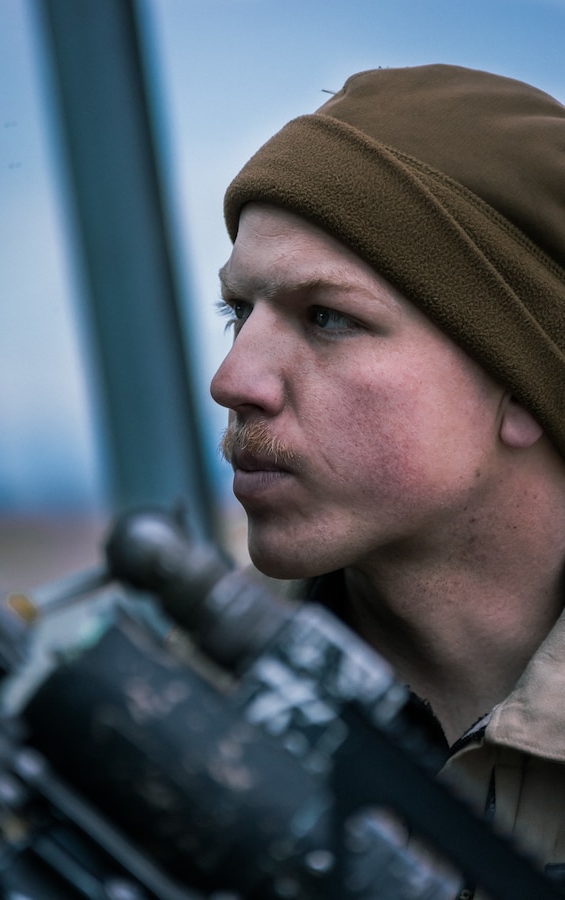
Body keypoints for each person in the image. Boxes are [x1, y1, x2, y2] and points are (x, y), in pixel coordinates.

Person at [209, 64, 565, 892]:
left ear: (523, 382)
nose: (234, 379)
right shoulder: (173, 719)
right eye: (238, 313)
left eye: (328, 317)